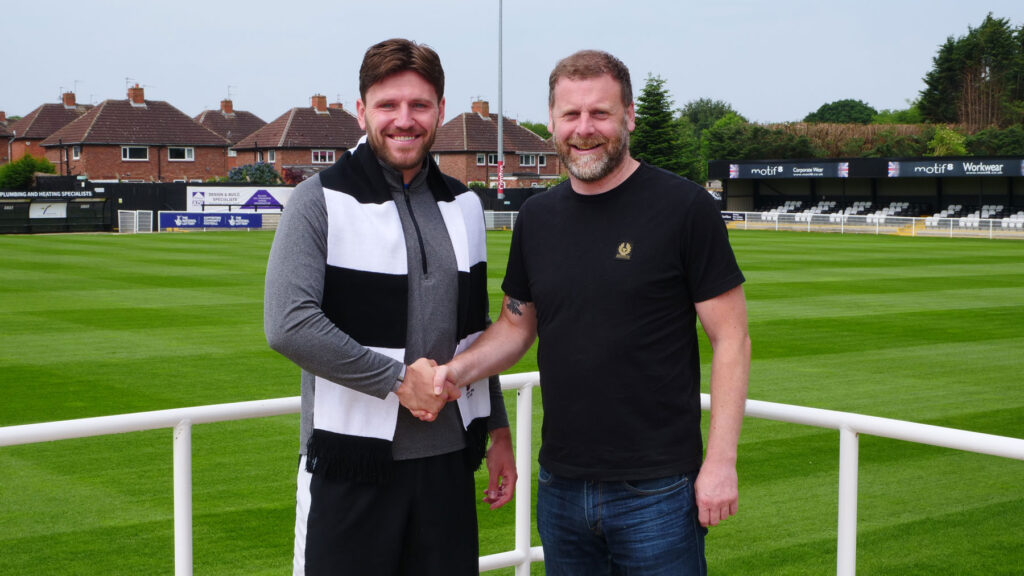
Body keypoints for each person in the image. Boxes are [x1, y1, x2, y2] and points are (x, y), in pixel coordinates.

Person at [434, 49, 750, 575]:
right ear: (552, 121)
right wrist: (452, 373)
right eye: (570, 115)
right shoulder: (536, 217)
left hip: (658, 489)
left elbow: (732, 340)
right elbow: (516, 324)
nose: (584, 129)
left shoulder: (685, 207)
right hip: (561, 486)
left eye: (600, 113)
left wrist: (721, 464)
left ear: (628, 117)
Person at [264, 38, 516, 576]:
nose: (404, 120)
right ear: (361, 111)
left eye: (420, 105)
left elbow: (473, 332)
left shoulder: (465, 204)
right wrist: (399, 380)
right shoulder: (318, 199)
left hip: (448, 462)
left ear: (440, 112)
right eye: (388, 105)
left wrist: (497, 429)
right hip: (350, 464)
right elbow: (288, 324)